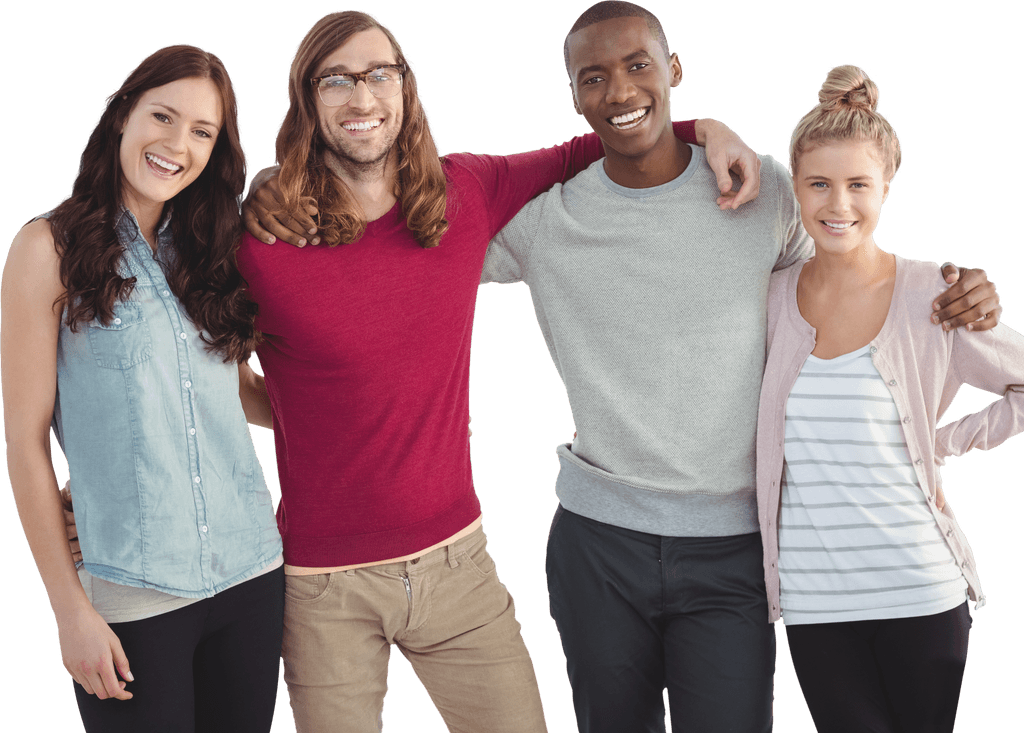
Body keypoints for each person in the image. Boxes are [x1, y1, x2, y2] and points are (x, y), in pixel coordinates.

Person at [479, 3, 1003, 733]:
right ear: (574, 95)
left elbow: (848, 275)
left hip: (736, 548)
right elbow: (423, 257)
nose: (620, 90)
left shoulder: (763, 189)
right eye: (593, 77)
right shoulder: (546, 223)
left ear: (675, 70)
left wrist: (948, 288)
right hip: (598, 543)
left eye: (639, 65)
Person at [235, 9, 758, 733]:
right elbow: (192, 366)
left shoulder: (467, 192)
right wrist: (298, 412)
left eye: (379, 74)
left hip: (459, 567)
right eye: (336, 80)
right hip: (323, 586)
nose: (362, 97)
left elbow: (597, 143)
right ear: (307, 101)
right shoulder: (263, 241)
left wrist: (705, 129)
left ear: (406, 87)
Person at [755, 64, 1024, 732]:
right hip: (816, 602)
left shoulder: (932, 294)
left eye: (858, 185)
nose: (838, 204)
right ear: (795, 185)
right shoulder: (770, 298)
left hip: (921, 592)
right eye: (818, 184)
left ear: (887, 186)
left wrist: (942, 441)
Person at [1, 45, 284, 733]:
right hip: (133, 597)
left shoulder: (211, 249)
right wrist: (70, 611)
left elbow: (238, 389)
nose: (177, 144)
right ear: (123, 113)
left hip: (251, 572)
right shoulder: (46, 250)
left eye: (202, 131)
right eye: (163, 116)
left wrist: (365, 413)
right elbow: (26, 442)